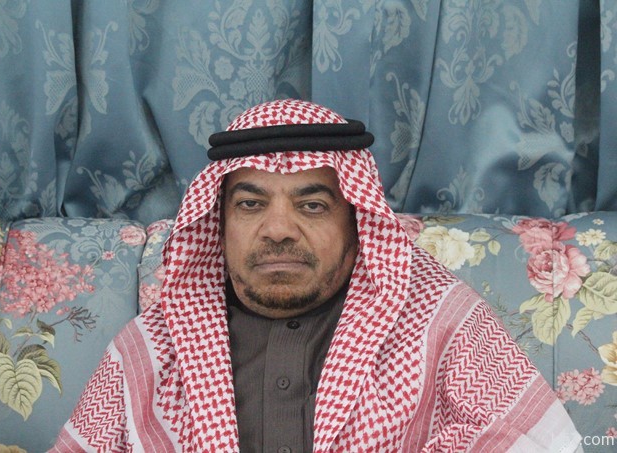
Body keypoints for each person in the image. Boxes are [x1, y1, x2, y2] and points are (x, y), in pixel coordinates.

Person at [51, 99, 582, 452]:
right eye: (251, 204)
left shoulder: (438, 323)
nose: (278, 230)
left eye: (311, 206)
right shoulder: (156, 348)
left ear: (356, 222)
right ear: (219, 224)